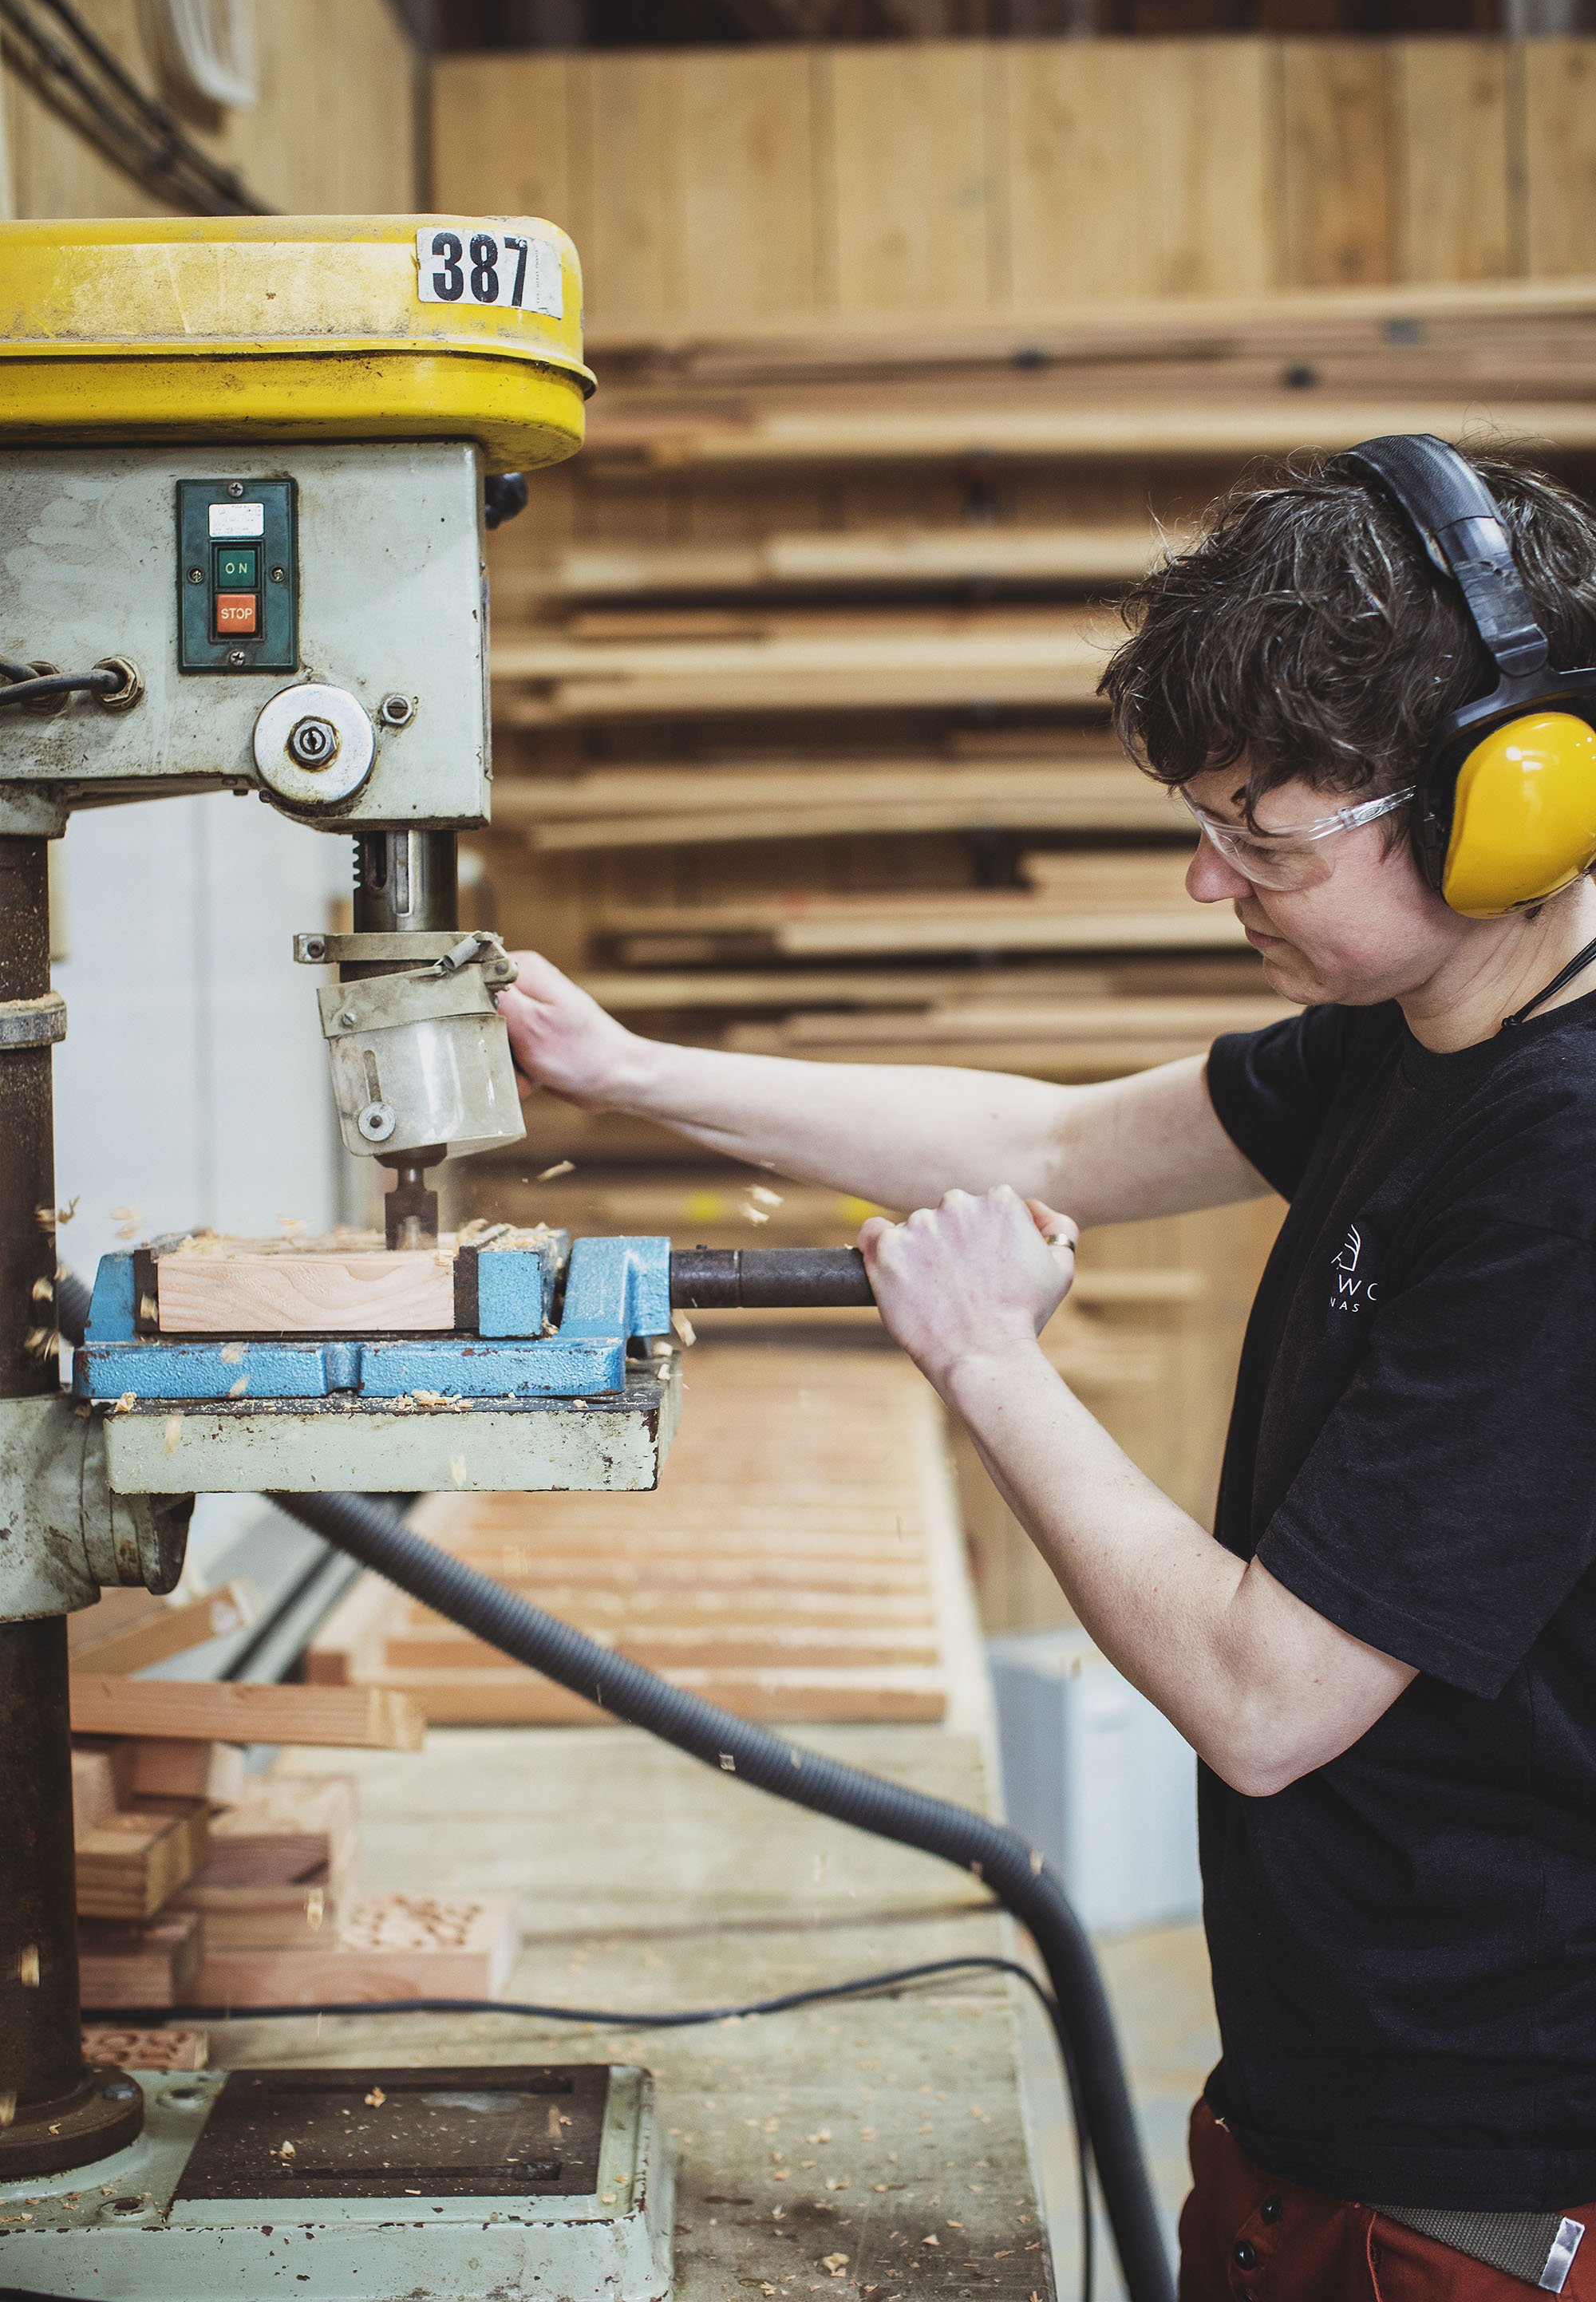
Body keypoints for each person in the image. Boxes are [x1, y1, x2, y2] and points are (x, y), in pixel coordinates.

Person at [498, 443, 1596, 2300]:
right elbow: (1058, 1142)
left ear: (1508, 809)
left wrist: (987, 1362)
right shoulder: (1419, 1032)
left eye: (1257, 836)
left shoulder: (1567, 1167)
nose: (1202, 880)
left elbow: (1267, 1697)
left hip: (1487, 2149)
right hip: (1328, 2077)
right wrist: (630, 1069)